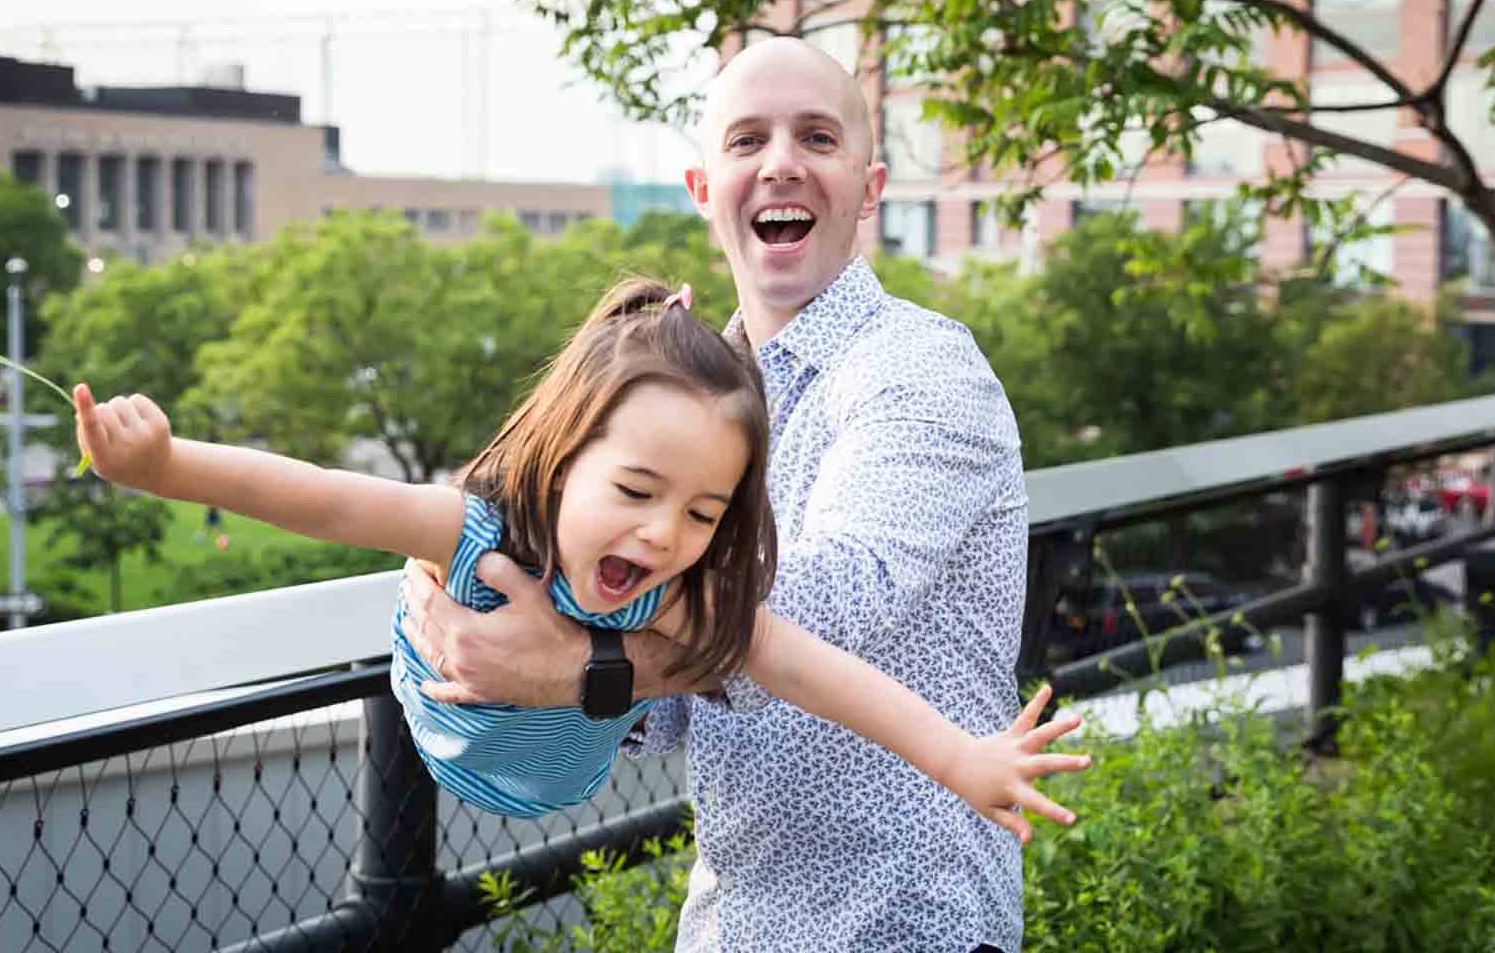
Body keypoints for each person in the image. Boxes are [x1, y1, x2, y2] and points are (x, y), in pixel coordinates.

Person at [400, 37, 1037, 952]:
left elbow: (823, 608)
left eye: (818, 138)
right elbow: (668, 716)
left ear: (870, 187)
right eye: (747, 141)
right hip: (736, 928)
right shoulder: (694, 403)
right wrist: (509, 593)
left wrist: (582, 661)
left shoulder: (922, 369)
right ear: (704, 192)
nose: (781, 162)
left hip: (909, 924)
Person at [68, 276, 1084, 830]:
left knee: (727, 621)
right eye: (637, 494)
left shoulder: (684, 594)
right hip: (451, 729)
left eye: (701, 512)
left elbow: (819, 673)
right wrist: (165, 467)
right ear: (564, 463)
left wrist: (961, 758)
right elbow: (320, 498)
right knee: (440, 573)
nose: (662, 535)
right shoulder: (486, 524)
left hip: (559, 769)